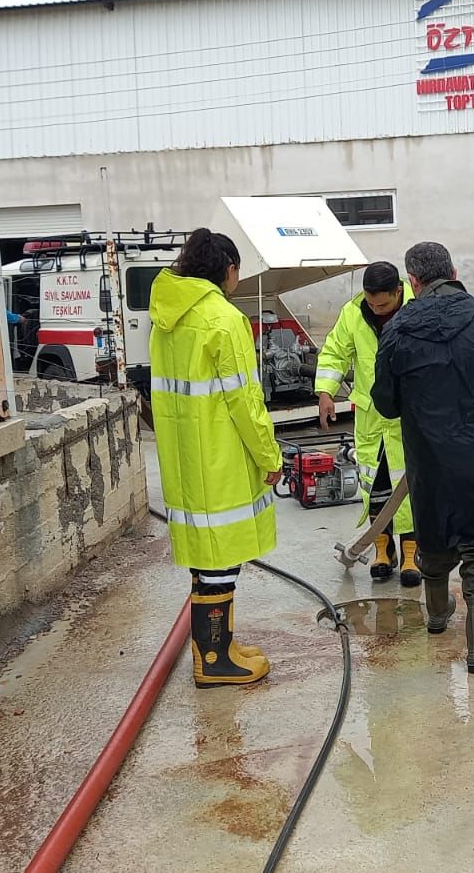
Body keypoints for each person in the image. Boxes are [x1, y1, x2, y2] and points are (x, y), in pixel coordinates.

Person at [371, 241, 474, 674]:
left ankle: (437, 615)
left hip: (430, 457)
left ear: (412, 282)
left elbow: (385, 403)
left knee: (434, 533)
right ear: (454, 271)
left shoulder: (395, 331)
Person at [148, 228, 283, 688]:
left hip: (186, 457)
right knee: (221, 559)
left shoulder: (168, 318)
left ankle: (218, 646)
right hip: (221, 458)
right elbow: (245, 400)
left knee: (206, 560)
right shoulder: (223, 320)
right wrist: (270, 454)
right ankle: (213, 659)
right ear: (227, 269)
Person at [314, 262, 421, 587]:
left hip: (408, 415)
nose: (376, 310)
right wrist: (325, 392)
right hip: (371, 417)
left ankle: (411, 553)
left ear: (398, 292)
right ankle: (381, 551)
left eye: (383, 305)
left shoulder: (419, 307)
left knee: (411, 487)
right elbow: (335, 352)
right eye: (371, 303)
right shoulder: (353, 313)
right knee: (375, 485)